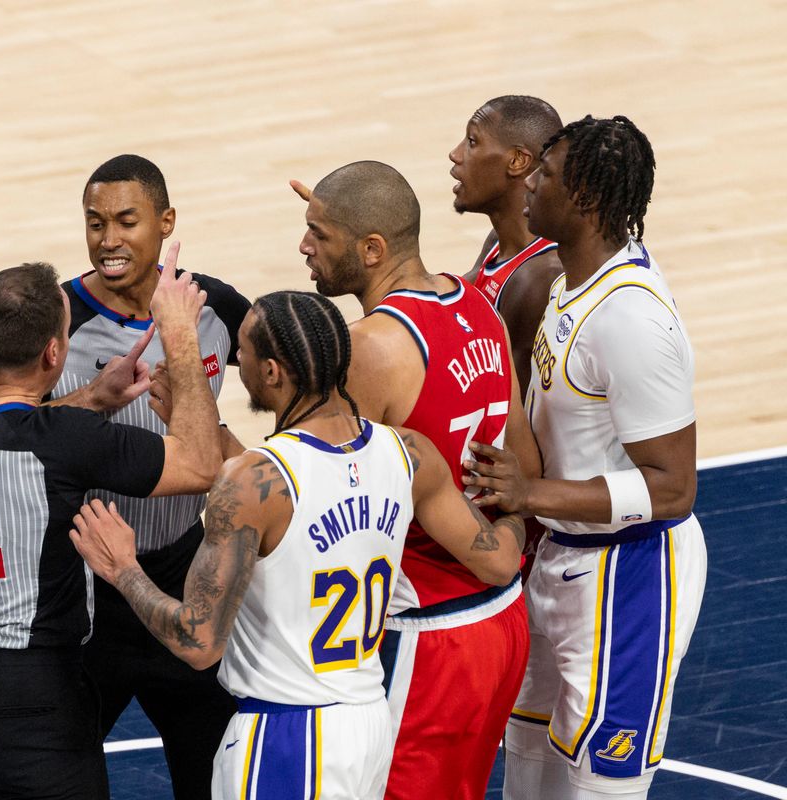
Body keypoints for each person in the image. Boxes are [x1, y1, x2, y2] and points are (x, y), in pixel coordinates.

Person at [69, 290, 526, 799]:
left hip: (286, 738)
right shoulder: (408, 452)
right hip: (369, 722)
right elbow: (500, 562)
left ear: (270, 372)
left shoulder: (255, 482)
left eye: (243, 352)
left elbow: (197, 643)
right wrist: (520, 506)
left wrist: (123, 568)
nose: (237, 361)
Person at [0, 253, 222, 799]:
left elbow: (13, 430)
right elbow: (200, 465)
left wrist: (92, 398)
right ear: (53, 352)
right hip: (29, 695)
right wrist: (180, 334)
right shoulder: (64, 441)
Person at [464, 115, 707, 800]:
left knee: (597, 790)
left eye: (546, 177)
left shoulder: (631, 320)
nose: (530, 188)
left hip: (631, 580)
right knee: (528, 764)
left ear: (588, 201)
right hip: (563, 563)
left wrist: (530, 493)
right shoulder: (571, 274)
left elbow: (673, 487)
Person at [290, 161, 540, 800]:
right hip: (501, 620)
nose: (304, 247)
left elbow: (306, 487)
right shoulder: (476, 300)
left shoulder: (371, 347)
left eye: (319, 233)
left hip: (428, 634)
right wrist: (506, 531)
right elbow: (524, 457)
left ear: (371, 249)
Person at [55, 154, 249, 798]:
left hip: (186, 573)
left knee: (212, 780)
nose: (108, 239)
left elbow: (296, 385)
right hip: (86, 587)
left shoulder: (213, 305)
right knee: (60, 780)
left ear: (166, 223)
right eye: (95, 222)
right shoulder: (56, 317)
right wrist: (83, 403)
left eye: (127, 221)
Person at [451, 95, 565, 393]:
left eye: (472, 142)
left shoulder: (538, 278)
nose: (455, 154)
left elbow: (506, 406)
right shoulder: (501, 242)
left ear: (517, 161)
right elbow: (445, 307)